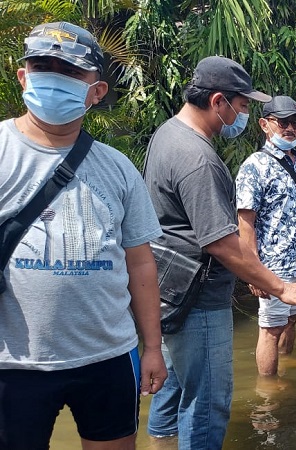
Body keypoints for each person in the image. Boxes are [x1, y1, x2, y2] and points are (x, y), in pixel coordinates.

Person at [144, 58, 296, 448]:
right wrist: (278, 286)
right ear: (218, 102)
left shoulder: (167, 135)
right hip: (197, 295)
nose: (244, 114)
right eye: (243, 106)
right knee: (207, 403)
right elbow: (223, 241)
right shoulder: (198, 159)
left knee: (174, 385)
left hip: (169, 289)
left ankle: (161, 443)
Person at [0, 22, 166, 448]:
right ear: (22, 76)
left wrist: (152, 347)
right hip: (12, 362)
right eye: (42, 66)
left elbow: (141, 261)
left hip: (108, 355)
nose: (54, 78)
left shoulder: (118, 167)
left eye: (71, 72)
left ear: (96, 91)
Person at [236, 95, 296, 376]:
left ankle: (286, 372)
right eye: (283, 122)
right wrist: (253, 271)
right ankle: (268, 396)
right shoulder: (254, 166)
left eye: (295, 123)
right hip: (274, 266)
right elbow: (245, 222)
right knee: (271, 329)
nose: (290, 128)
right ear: (264, 124)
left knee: (292, 321)